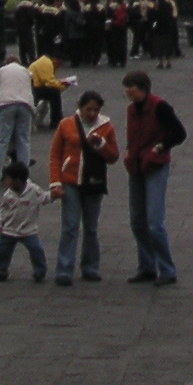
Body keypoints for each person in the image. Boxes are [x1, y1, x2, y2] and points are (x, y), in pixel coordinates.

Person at [49, 88, 120, 285]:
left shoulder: (106, 127)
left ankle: (90, 267)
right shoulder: (66, 124)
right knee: (70, 226)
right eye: (89, 109)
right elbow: (55, 155)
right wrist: (55, 183)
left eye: (96, 110)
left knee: (91, 228)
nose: (92, 114)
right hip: (70, 181)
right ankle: (64, 269)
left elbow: (113, 157)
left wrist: (101, 145)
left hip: (94, 182)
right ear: (80, 108)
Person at [121, 69, 184, 285]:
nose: (128, 93)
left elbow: (179, 133)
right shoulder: (132, 110)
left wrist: (161, 147)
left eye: (132, 89)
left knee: (155, 222)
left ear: (143, 88)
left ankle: (167, 269)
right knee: (137, 220)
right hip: (136, 166)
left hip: (154, 165)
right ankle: (147, 266)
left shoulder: (160, 107)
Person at [0, 161, 50, 282]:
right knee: (2, 250)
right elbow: (3, 210)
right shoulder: (8, 195)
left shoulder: (33, 190)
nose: (6, 182)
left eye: (7, 179)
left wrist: (54, 194)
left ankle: (40, 271)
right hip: (9, 229)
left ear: (17, 180)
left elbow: (44, 197)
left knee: (36, 250)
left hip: (28, 230)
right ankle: (0, 270)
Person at [0, 52, 35, 184]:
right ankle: (24, 177)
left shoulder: (1, 70)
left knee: (2, 140)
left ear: (6, 63)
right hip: (26, 104)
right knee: (23, 140)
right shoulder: (26, 71)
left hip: (6, 104)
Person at [28, 51, 72, 127]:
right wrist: (62, 86)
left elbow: (48, 80)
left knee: (53, 91)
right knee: (54, 92)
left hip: (35, 86)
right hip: (33, 88)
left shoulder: (45, 62)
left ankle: (56, 119)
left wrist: (60, 83)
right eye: (59, 64)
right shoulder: (46, 63)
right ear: (56, 60)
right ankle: (56, 120)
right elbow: (48, 83)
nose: (58, 67)